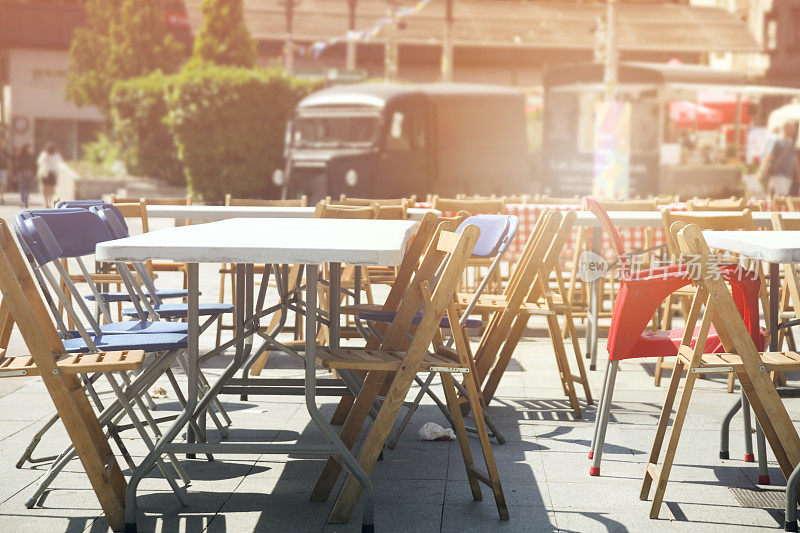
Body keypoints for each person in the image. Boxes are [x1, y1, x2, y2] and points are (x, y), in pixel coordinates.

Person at [758, 121, 799, 196]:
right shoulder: (776, 141)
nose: (793, 131)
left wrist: (798, 172)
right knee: (780, 197)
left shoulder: (791, 143)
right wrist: (761, 171)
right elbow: (769, 156)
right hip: (778, 174)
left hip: (788, 175)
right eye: (791, 128)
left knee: (782, 197)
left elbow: (794, 158)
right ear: (786, 128)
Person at [37, 142, 62, 208]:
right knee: (51, 188)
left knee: (45, 188)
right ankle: (49, 202)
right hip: (52, 173)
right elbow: (58, 165)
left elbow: (40, 163)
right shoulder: (56, 156)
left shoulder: (44, 155)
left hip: (46, 173)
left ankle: (46, 202)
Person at [15, 144, 35, 208]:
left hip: (21, 172)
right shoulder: (30, 156)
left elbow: (17, 165)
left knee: (22, 187)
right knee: (27, 188)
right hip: (29, 172)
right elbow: (33, 165)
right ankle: (25, 201)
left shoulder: (20, 156)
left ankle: (23, 201)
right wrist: (34, 173)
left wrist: (15, 174)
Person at [0, 140, 9, 204]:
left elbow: (9, 161)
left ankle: (2, 197)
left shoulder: (5, 153)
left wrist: (10, 170)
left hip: (4, 169)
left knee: (3, 184)